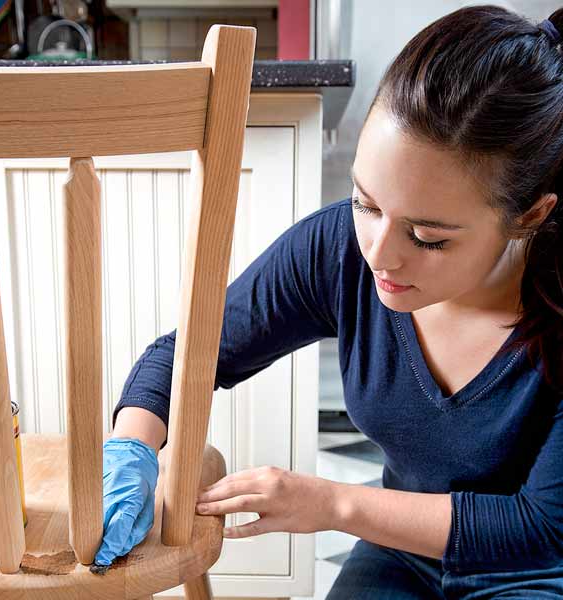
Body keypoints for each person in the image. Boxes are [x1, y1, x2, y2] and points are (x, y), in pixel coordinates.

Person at [93, 5, 563, 598]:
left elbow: (541, 529)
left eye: (428, 237)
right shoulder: (339, 248)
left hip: (533, 572)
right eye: (366, 203)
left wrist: (333, 503)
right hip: (403, 554)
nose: (380, 255)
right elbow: (184, 355)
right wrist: (131, 448)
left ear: (529, 216)